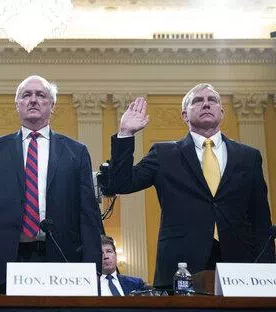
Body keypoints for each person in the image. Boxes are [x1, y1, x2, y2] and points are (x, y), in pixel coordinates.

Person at [108, 83, 274, 288]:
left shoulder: (248, 157)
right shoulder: (164, 154)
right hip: (181, 264)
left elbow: (260, 219)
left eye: (212, 100)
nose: (206, 104)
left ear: (221, 112)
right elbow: (120, 183)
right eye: (198, 101)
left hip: (241, 263)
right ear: (185, 115)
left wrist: (268, 270)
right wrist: (126, 134)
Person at [0, 75, 103, 292]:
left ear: (52, 106)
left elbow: (88, 213)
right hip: (5, 260)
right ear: (18, 105)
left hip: (63, 260)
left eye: (41, 95)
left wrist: (94, 268)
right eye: (26, 95)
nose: (33, 100)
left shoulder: (76, 152)